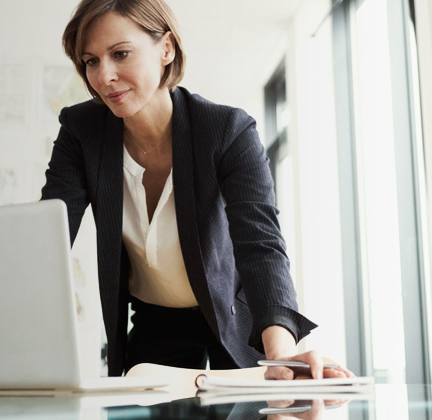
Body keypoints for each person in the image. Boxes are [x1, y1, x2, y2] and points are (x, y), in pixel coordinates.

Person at [41, 0, 356, 380]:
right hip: (156, 323)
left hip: (234, 316)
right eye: (91, 61)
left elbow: (260, 245)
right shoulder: (81, 132)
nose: (104, 75)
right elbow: (47, 239)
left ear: (166, 48)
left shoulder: (227, 131)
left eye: (120, 54)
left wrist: (282, 354)